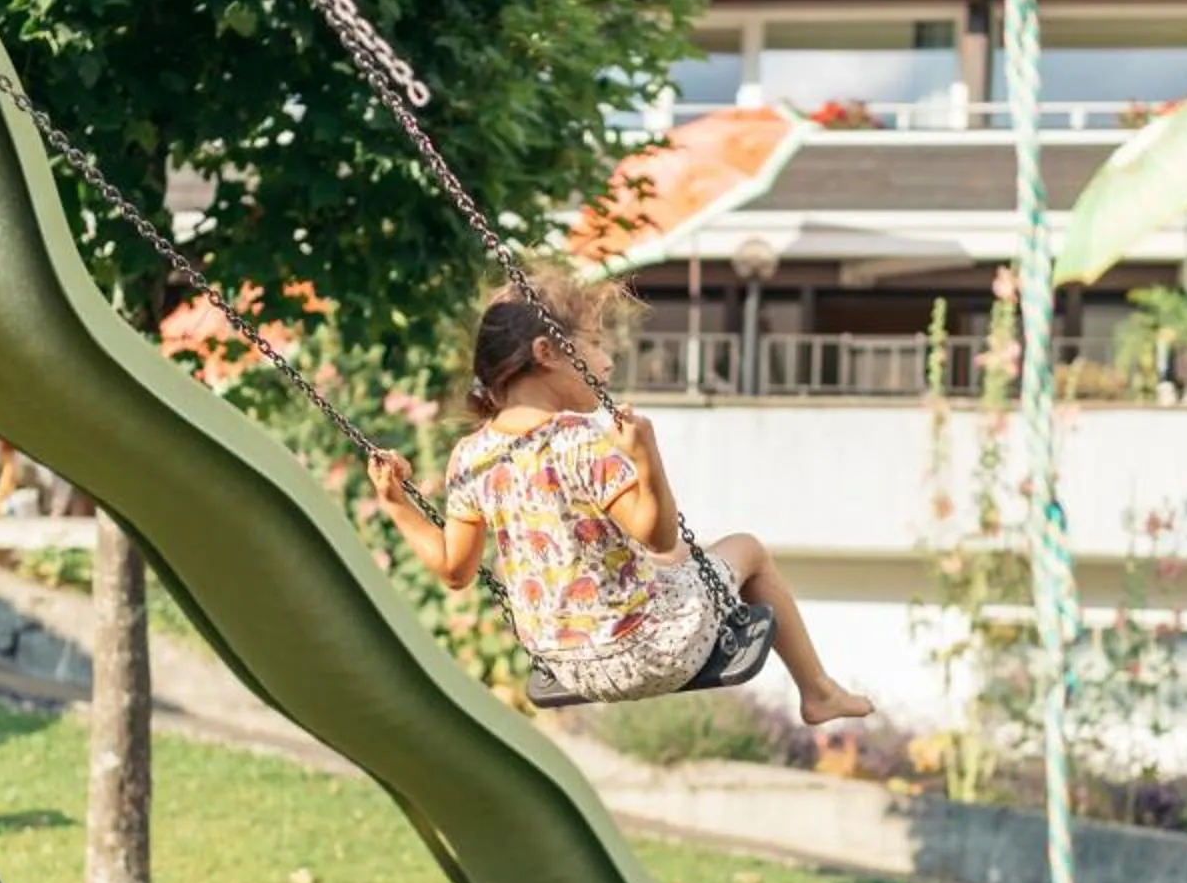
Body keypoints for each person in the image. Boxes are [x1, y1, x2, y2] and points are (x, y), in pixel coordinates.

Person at [369, 280, 873, 722]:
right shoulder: (580, 439)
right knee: (747, 548)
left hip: (567, 666)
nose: (607, 361)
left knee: (672, 563)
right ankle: (819, 692)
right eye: (593, 344)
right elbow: (656, 532)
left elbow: (455, 570)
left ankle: (818, 691)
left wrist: (397, 504)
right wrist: (646, 455)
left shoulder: (471, 456)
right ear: (547, 352)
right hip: (652, 649)